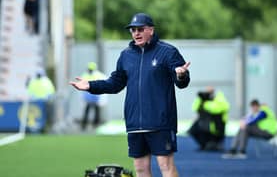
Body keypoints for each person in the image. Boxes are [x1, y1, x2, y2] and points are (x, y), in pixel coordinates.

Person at [70, 13, 190, 177]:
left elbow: (182, 82)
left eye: (140, 29)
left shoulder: (168, 52)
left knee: (166, 166)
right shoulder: (126, 55)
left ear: (151, 30)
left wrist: (182, 75)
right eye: (133, 30)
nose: (136, 33)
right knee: (140, 168)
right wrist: (90, 85)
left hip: (160, 122)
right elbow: (115, 84)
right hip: (135, 124)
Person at [188, 86, 229, 151]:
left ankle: (215, 145)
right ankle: (204, 144)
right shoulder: (202, 98)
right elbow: (194, 108)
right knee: (193, 130)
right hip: (205, 121)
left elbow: (223, 107)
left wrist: (206, 104)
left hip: (218, 122)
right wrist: (201, 99)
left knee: (214, 133)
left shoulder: (219, 97)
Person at [80, 62, 107, 130]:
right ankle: (84, 125)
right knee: (87, 110)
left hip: (96, 95)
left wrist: (102, 98)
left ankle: (96, 124)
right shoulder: (85, 75)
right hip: (88, 95)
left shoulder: (98, 75)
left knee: (96, 110)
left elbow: (104, 83)